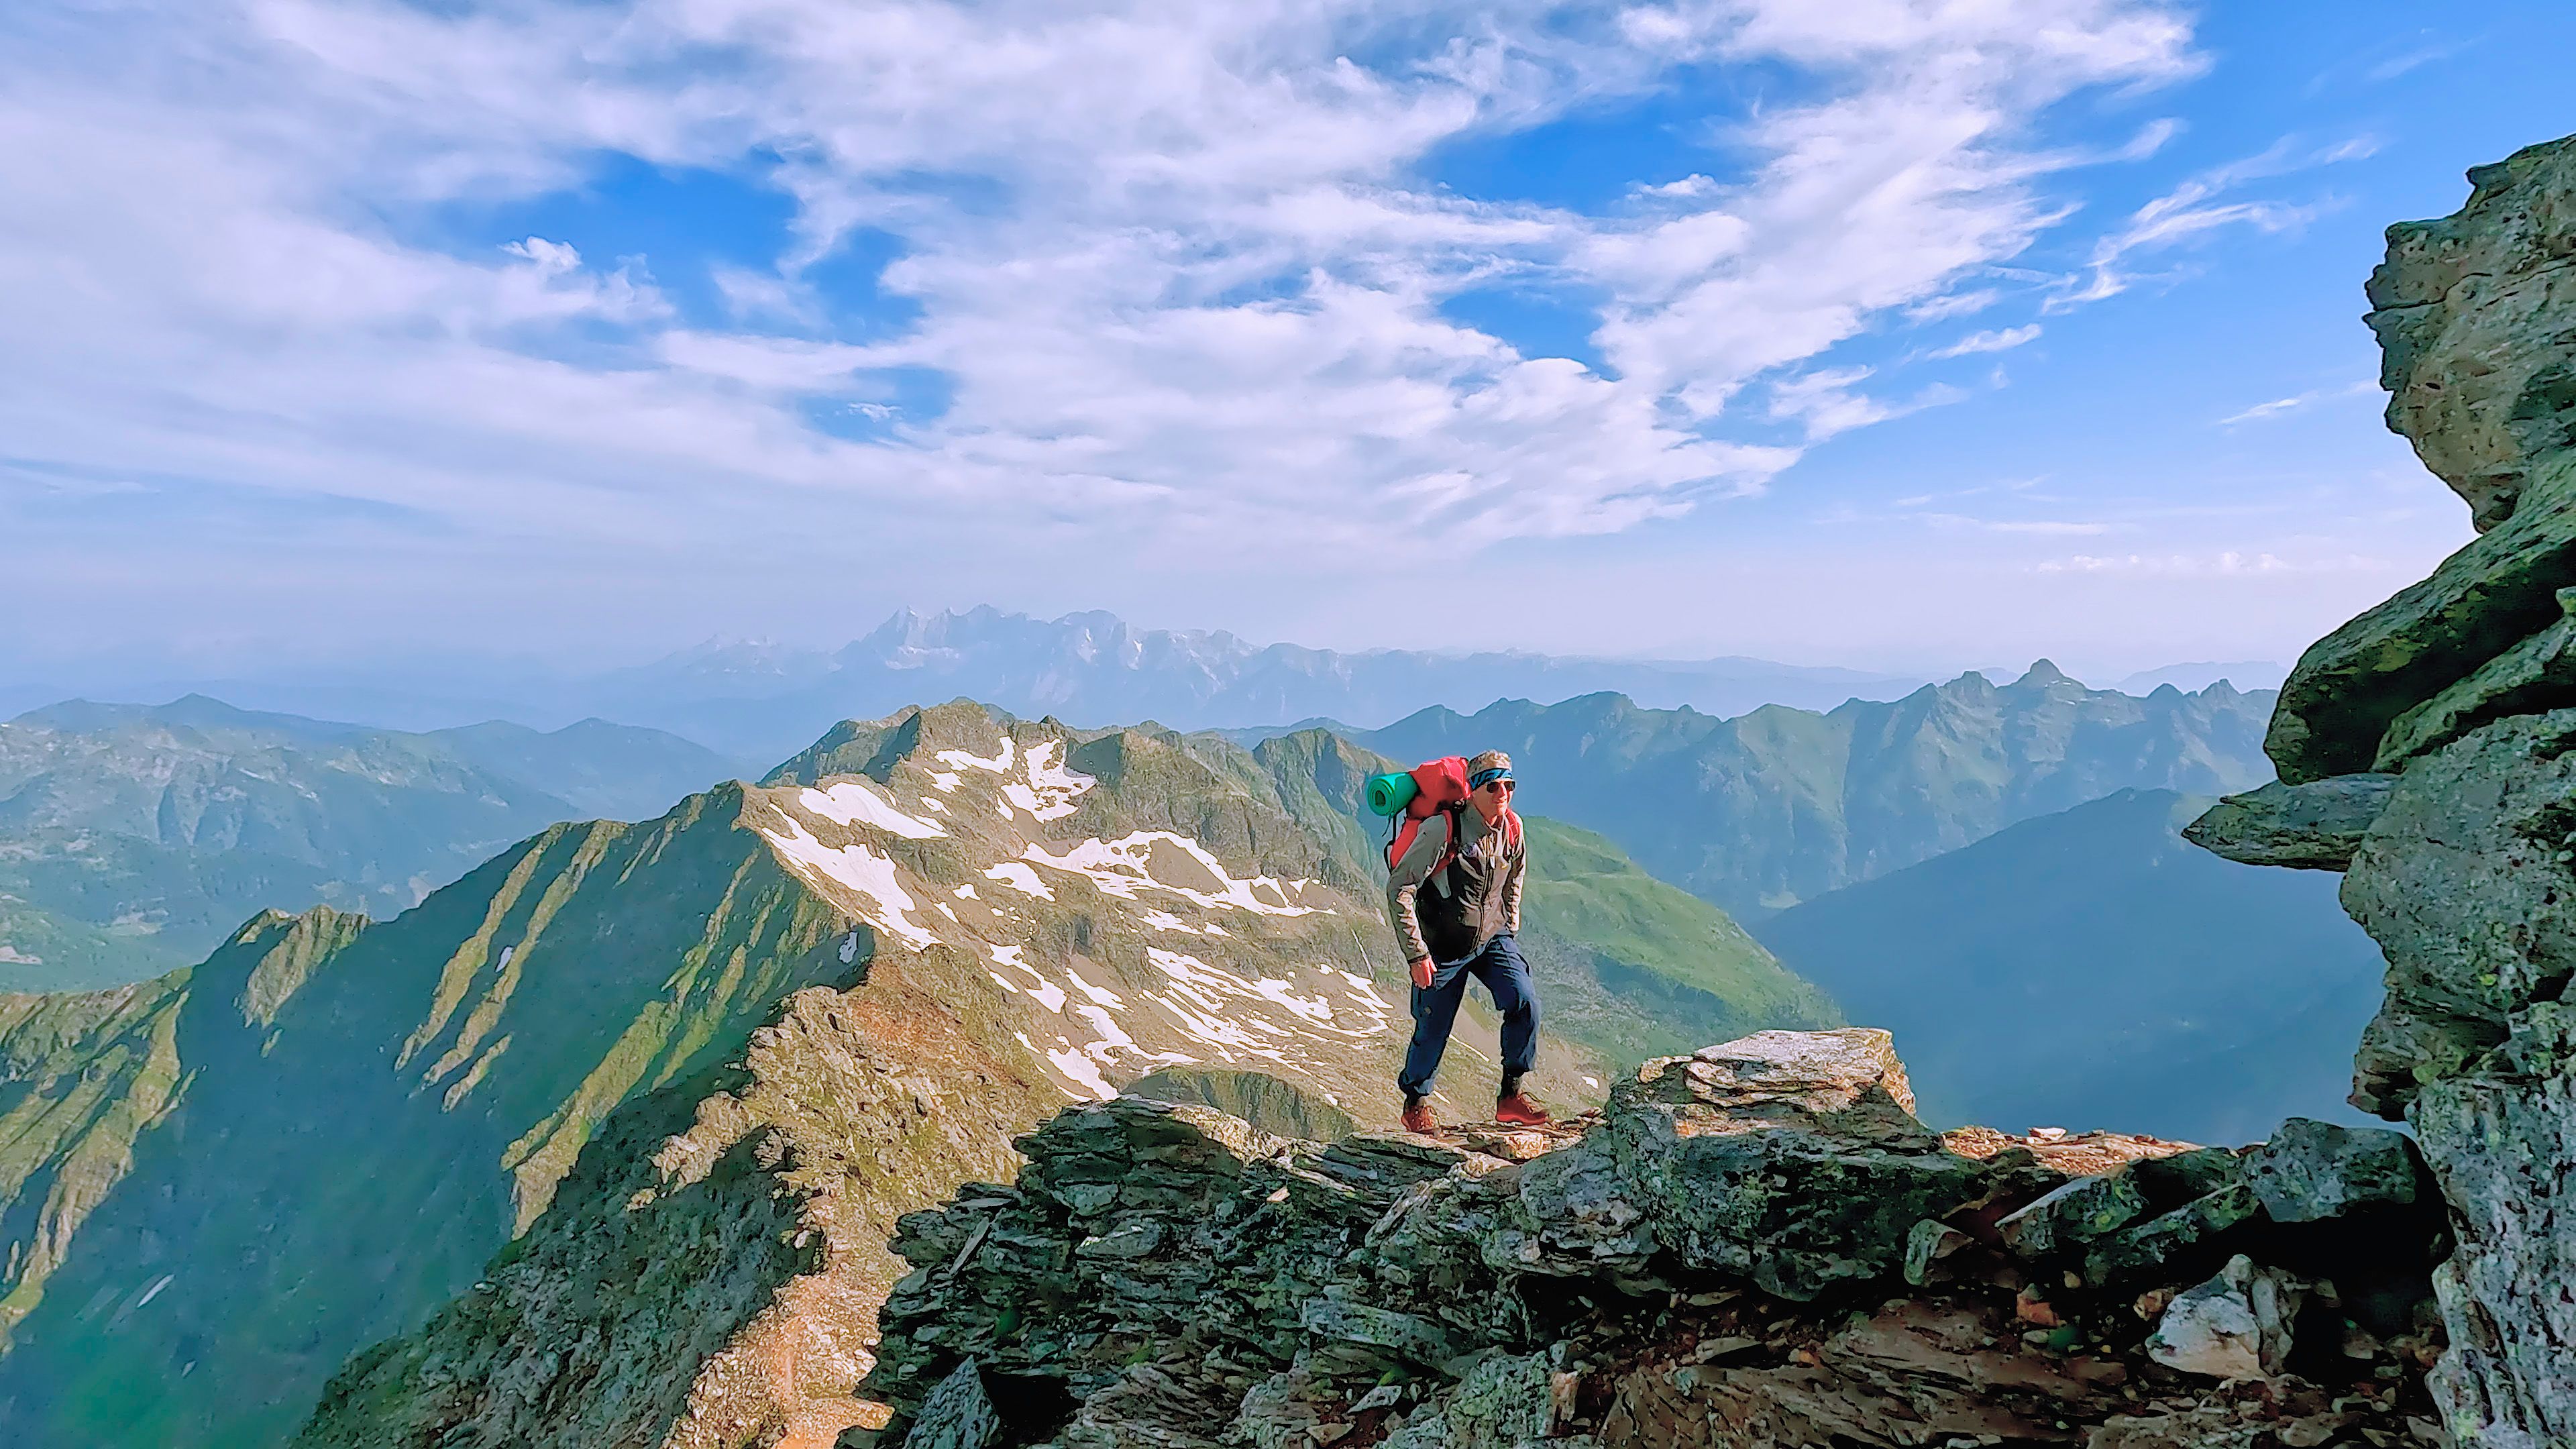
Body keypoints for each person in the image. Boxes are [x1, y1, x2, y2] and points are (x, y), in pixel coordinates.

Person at [1386, 749, 1548, 1132]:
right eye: (1494, 786)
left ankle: (1511, 1096)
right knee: (1432, 1027)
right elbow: (1399, 889)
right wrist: (1416, 953)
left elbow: (1516, 870)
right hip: (1442, 947)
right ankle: (1416, 1104)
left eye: (1509, 785)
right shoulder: (1443, 830)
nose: (1503, 793)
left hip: (1492, 938)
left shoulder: (1512, 827)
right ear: (1474, 789)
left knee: (1525, 1002)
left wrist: (1510, 918)